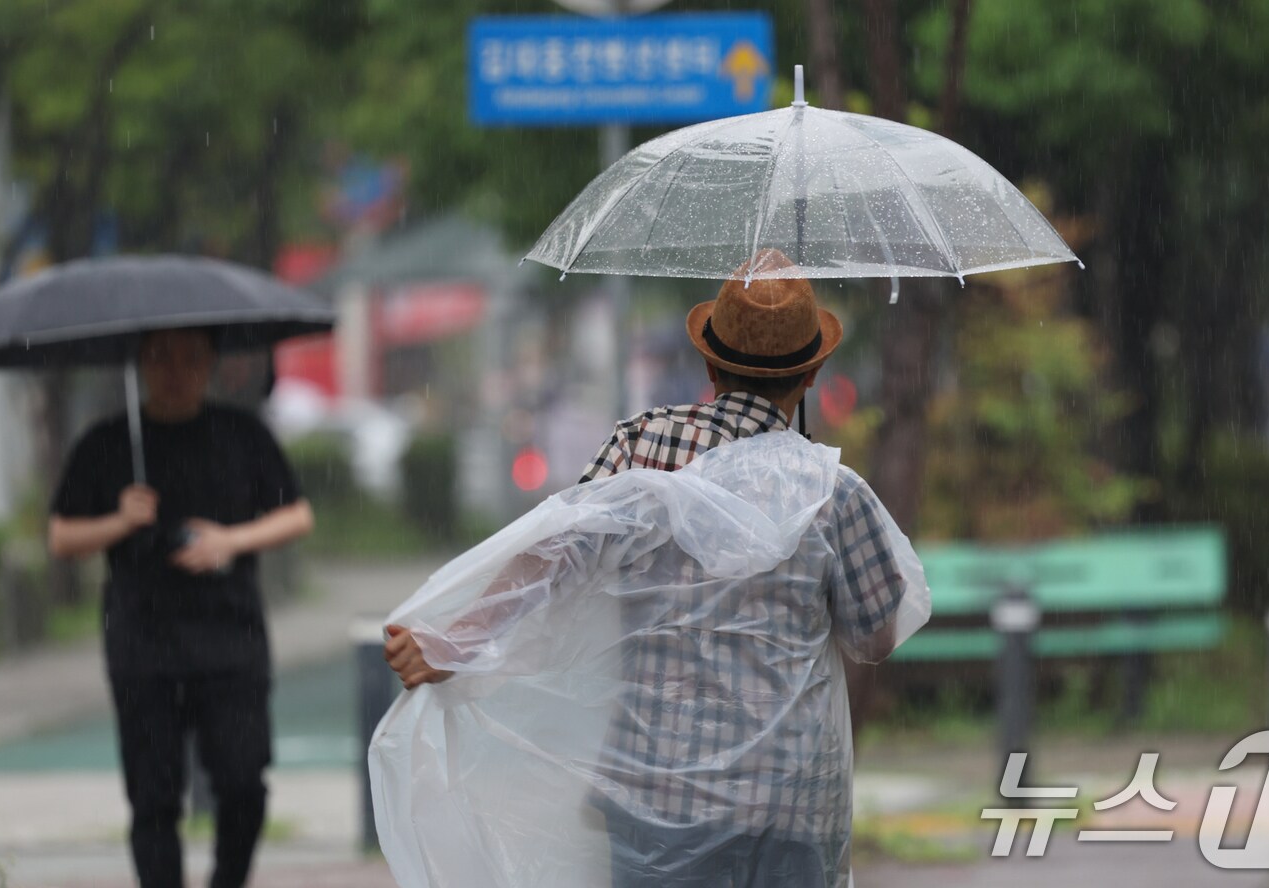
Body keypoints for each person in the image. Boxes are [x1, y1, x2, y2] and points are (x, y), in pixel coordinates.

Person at [382, 250, 929, 887]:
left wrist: (460, 642)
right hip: (790, 804)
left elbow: (554, 557)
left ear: (709, 363)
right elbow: (875, 639)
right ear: (811, 376)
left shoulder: (642, 448)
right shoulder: (835, 492)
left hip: (658, 797)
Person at [48, 327, 314, 888]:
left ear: (211, 363)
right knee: (153, 796)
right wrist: (120, 520)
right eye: (160, 356)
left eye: (191, 356)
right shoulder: (108, 443)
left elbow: (296, 516)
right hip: (143, 643)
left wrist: (229, 541)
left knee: (243, 781)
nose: (175, 369)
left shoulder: (242, 434)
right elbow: (62, 537)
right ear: (140, 363)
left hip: (230, 638)